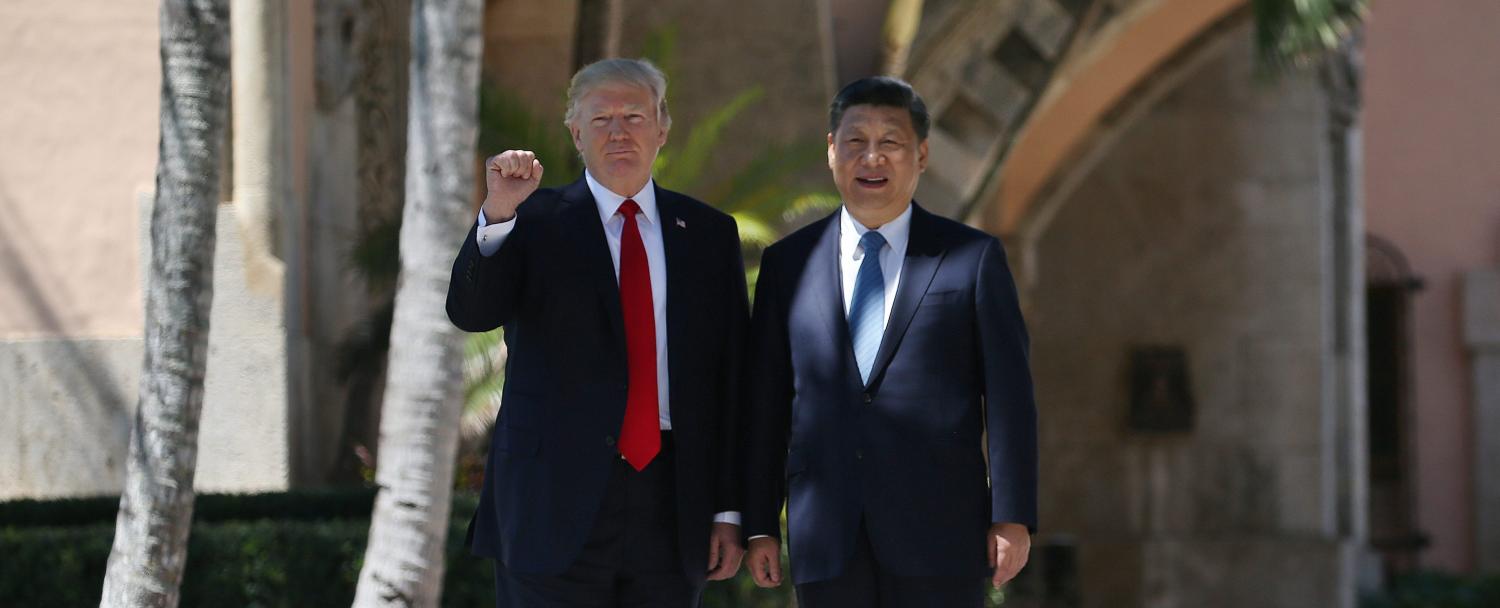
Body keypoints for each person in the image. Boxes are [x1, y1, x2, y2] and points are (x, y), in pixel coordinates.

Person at [447, 58, 747, 607]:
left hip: (671, 502)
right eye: (601, 118)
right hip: (548, 502)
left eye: (634, 115)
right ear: (575, 132)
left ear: (662, 128)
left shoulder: (708, 234)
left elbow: (730, 380)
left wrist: (728, 509)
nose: (618, 131)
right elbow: (471, 311)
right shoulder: (529, 221)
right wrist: (495, 214)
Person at [741, 76, 1038, 607]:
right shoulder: (788, 264)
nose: (871, 158)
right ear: (832, 151)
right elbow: (765, 403)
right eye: (855, 142)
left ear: (921, 154)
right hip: (828, 537)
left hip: (941, 534)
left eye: (891, 143)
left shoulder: (971, 259)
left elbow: (1011, 396)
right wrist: (760, 522)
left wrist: (1012, 515)